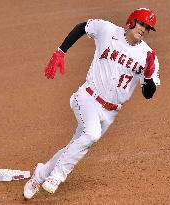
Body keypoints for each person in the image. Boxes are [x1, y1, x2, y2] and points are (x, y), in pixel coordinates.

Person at [23, 7, 160, 200]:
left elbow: (148, 94)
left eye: (148, 27)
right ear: (132, 21)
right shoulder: (107, 30)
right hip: (87, 98)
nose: (143, 29)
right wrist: (60, 51)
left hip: (110, 113)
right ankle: (56, 177)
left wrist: (148, 77)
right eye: (141, 23)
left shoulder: (148, 56)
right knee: (92, 134)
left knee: (76, 145)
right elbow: (82, 27)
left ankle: (39, 175)